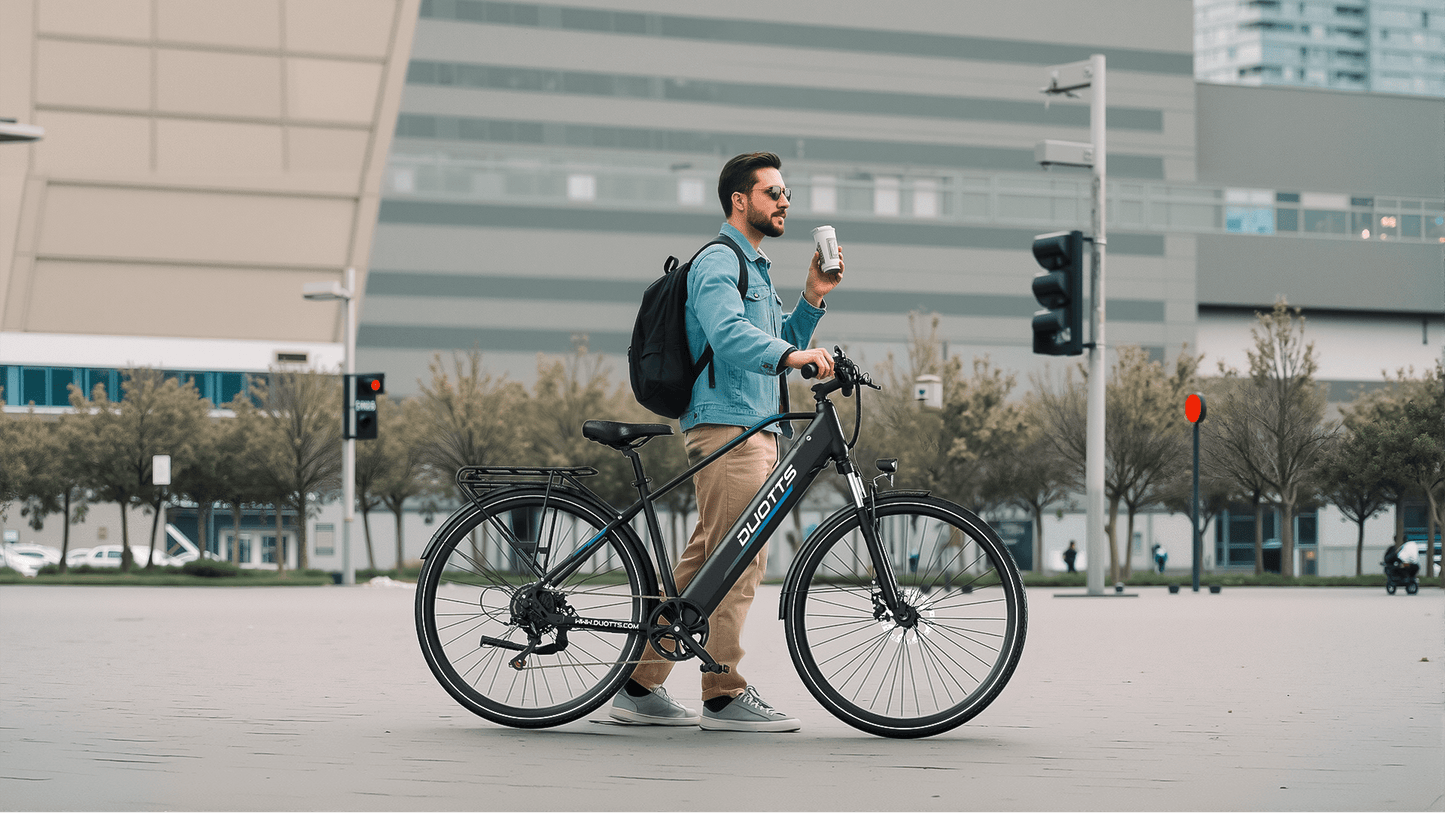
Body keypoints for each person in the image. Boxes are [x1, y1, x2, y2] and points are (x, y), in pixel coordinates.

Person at [609, 152, 841, 732]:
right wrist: (793, 356)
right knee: (739, 561)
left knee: (707, 562)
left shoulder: (754, 268)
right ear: (741, 200)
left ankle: (638, 685)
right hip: (728, 427)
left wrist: (812, 298)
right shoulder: (719, 261)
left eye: (786, 192)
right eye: (772, 192)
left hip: (753, 425)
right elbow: (731, 335)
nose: (785, 200)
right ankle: (723, 692)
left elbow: (772, 340)